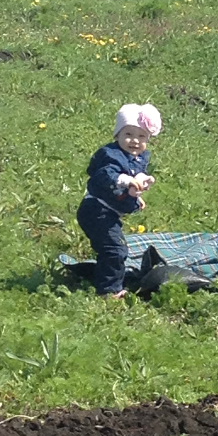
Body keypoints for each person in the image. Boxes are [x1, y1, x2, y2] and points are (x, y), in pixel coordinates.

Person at [77, 103, 162, 298]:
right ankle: (109, 291)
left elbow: (134, 176)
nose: (135, 140)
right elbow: (105, 174)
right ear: (117, 136)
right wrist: (126, 180)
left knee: (113, 248)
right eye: (128, 134)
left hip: (108, 212)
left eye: (141, 136)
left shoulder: (137, 157)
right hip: (96, 210)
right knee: (115, 249)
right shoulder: (110, 155)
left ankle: (107, 279)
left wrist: (137, 193)